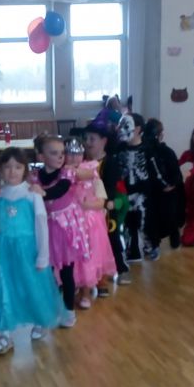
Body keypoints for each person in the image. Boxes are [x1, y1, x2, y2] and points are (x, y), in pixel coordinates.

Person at [0, 148, 63, 355]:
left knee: (32, 287)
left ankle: (40, 320)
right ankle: (5, 334)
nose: (12, 171)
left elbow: (41, 225)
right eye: (7, 167)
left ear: (25, 170)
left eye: (17, 167)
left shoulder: (32, 194)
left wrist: (43, 256)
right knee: (4, 289)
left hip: (29, 250)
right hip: (4, 251)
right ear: (0, 170)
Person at [35, 135, 92, 329]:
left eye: (62, 153)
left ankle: (69, 311)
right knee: (47, 272)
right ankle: (48, 310)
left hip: (65, 227)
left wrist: (42, 192)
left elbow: (60, 189)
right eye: (54, 153)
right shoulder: (35, 176)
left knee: (67, 272)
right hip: (45, 227)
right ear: (41, 156)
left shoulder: (67, 173)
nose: (60, 157)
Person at [65, 138, 116, 310]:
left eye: (77, 154)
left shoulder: (92, 171)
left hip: (89, 224)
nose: (74, 158)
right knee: (72, 259)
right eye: (70, 154)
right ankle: (72, 287)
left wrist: (88, 205)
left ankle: (85, 293)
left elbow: (101, 200)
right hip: (69, 224)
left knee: (87, 259)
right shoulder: (62, 174)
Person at [83, 123, 129, 291]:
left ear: (103, 141)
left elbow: (110, 187)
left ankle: (121, 268)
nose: (88, 142)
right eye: (86, 138)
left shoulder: (110, 162)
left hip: (105, 208)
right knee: (90, 243)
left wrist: (103, 202)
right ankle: (92, 276)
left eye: (92, 139)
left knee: (112, 239)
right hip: (87, 209)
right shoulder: (83, 161)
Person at [116, 113, 155, 261]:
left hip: (142, 192)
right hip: (125, 191)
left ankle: (149, 245)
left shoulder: (147, 149)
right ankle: (131, 249)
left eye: (125, 126)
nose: (120, 129)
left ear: (138, 129)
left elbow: (154, 170)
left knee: (142, 220)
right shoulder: (119, 149)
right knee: (127, 221)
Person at [143, 119, 185, 251]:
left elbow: (176, 175)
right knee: (153, 217)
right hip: (153, 191)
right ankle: (154, 241)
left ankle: (173, 234)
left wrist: (172, 184)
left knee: (170, 213)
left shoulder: (167, 152)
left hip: (167, 191)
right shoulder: (145, 152)